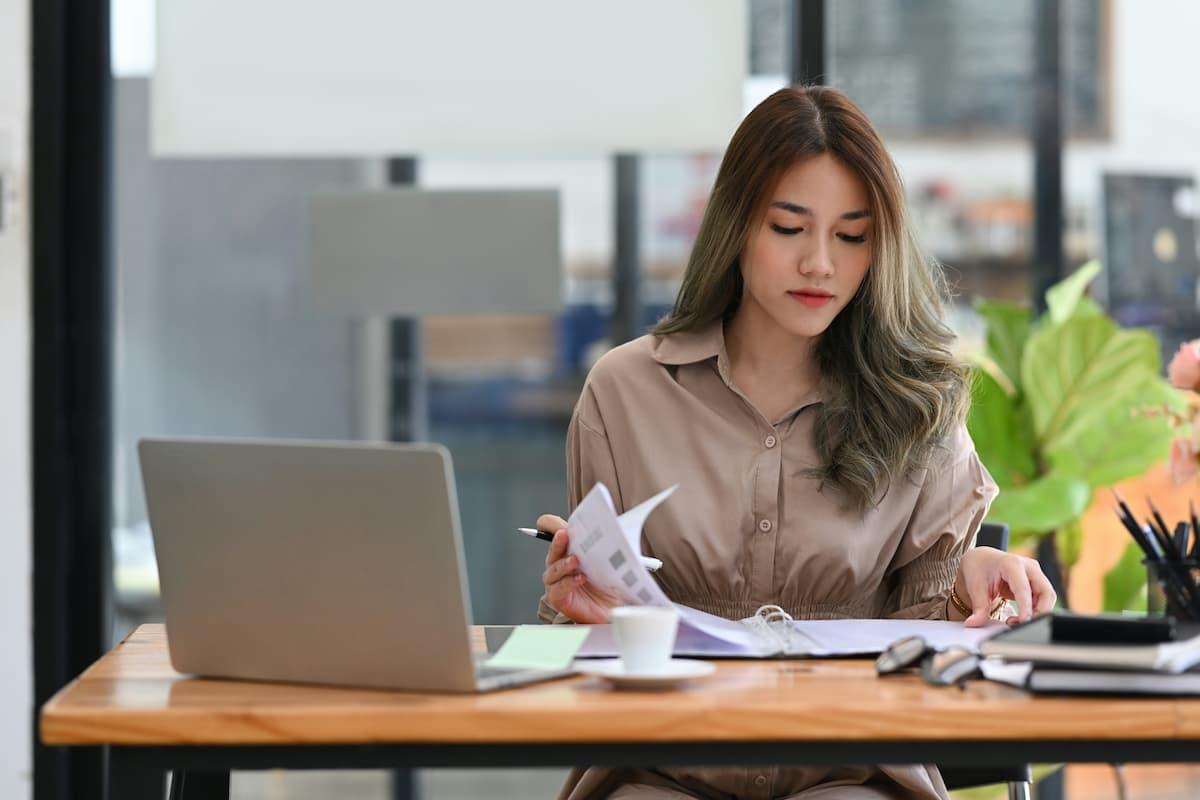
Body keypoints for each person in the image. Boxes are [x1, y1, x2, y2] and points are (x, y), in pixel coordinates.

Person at [536, 85, 1057, 800]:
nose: (821, 264)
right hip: (662, 771)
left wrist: (973, 575)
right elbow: (572, 652)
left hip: (852, 774)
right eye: (789, 229)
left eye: (851, 236)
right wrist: (576, 605)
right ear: (737, 226)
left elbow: (933, 641)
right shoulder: (623, 392)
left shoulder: (920, 402)